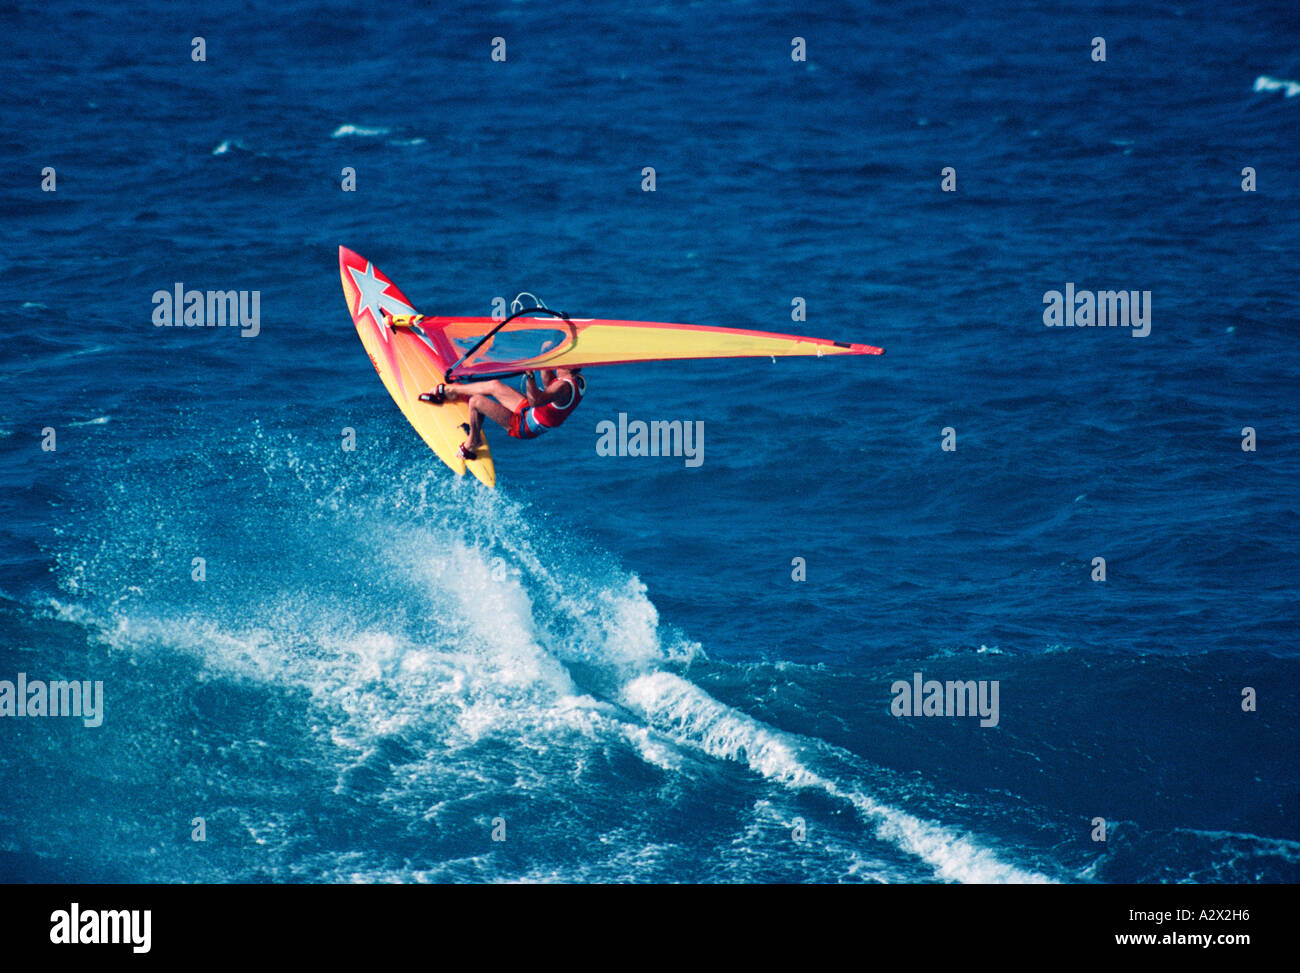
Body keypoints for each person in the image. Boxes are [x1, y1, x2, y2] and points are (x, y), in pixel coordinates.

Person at [420, 363, 585, 460]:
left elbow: (536, 401)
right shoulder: (577, 380)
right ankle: (450, 390)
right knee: (494, 385)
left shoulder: (563, 387)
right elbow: (549, 382)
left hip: (526, 426)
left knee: (477, 401)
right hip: (531, 412)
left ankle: (473, 443)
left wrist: (530, 377)